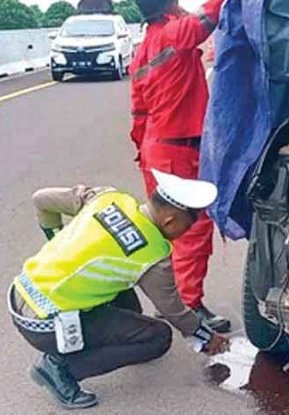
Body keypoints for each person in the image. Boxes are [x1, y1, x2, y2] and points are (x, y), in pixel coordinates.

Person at [129, 0, 269, 333]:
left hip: (154, 148)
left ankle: (169, 300)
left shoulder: (141, 52)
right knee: (191, 227)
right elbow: (208, 17)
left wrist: (142, 150)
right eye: (176, 2)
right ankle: (188, 306)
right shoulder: (173, 34)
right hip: (177, 150)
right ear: (169, 7)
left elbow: (138, 110)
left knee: (163, 227)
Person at [8, 170, 230, 409]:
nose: (183, 234)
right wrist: (206, 337)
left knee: (122, 281)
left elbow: (41, 198)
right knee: (157, 337)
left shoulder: (107, 198)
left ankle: (113, 340)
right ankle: (59, 368)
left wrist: (55, 237)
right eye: (186, 228)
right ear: (170, 221)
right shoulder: (153, 256)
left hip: (21, 293)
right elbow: (173, 310)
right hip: (46, 325)